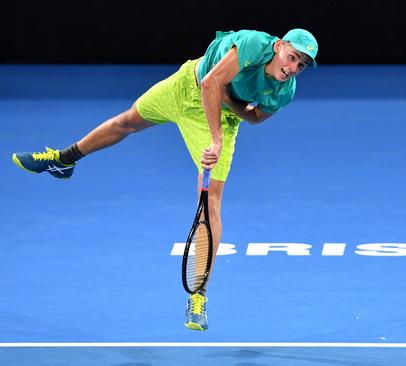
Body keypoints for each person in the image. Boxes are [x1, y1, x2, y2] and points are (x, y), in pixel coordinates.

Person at [11, 28, 318, 331]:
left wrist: (228, 104)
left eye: (301, 65)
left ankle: (198, 295)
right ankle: (64, 160)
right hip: (186, 87)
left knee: (211, 202)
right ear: (279, 46)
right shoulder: (253, 45)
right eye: (292, 57)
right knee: (127, 121)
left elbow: (253, 117)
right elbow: (210, 83)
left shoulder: (284, 91)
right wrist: (215, 139)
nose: (292, 68)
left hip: (219, 115)